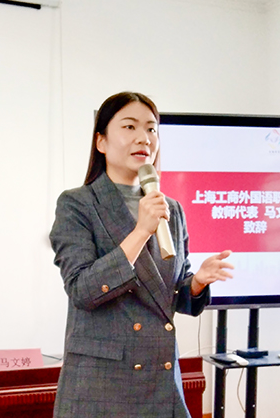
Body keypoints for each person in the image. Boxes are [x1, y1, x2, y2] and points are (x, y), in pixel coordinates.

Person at [49, 91, 234, 417]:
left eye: (151, 129)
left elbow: (169, 296)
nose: (144, 138)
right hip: (101, 387)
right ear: (101, 142)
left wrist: (196, 283)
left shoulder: (171, 209)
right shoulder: (77, 204)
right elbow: (82, 290)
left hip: (160, 380)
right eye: (130, 127)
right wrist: (141, 231)